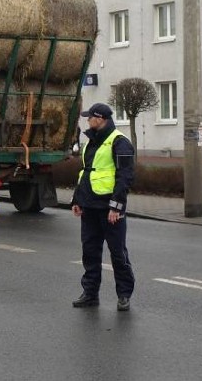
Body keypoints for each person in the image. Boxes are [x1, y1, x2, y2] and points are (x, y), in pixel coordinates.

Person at [70, 103, 136, 311]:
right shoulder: (92, 141)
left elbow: (125, 178)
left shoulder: (120, 142)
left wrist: (116, 207)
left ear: (100, 119)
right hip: (89, 206)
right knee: (90, 252)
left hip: (110, 208)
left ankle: (124, 294)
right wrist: (77, 200)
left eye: (90, 117)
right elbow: (86, 172)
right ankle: (90, 294)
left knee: (117, 253)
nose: (87, 120)